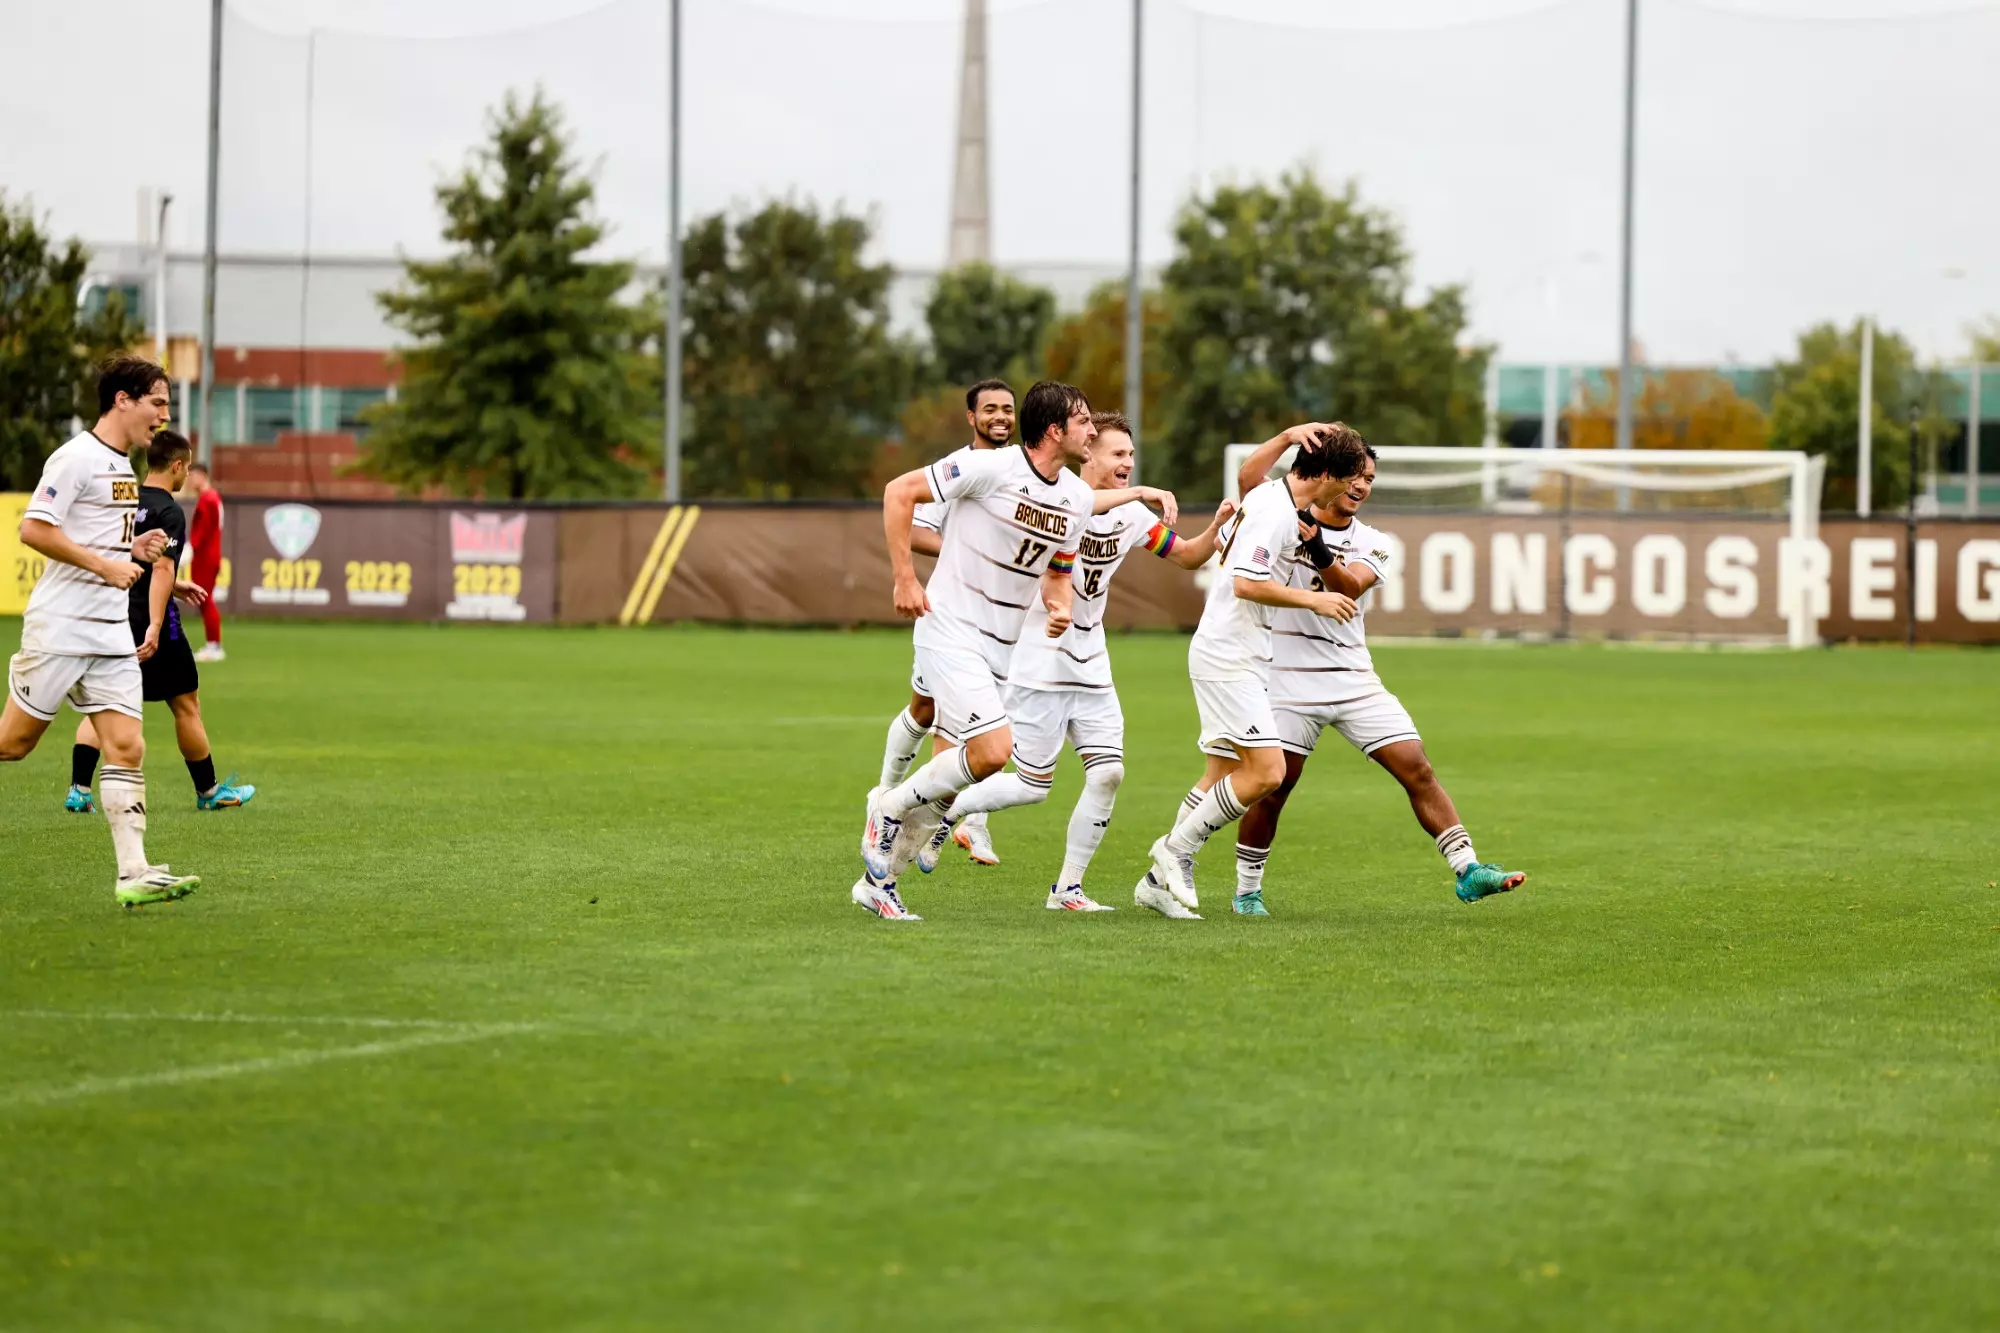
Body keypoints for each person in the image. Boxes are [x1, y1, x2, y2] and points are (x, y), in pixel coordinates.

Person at [851, 380, 1175, 920]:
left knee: (972, 769)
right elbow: (897, 492)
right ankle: (887, 808)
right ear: (1055, 430)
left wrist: (1059, 604)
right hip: (949, 628)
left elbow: (1058, 570)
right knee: (993, 752)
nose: (1093, 431)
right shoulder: (990, 468)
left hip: (1003, 650)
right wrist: (905, 579)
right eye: (1084, 421)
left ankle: (878, 882)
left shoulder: (1074, 498)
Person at [909, 411, 1237, 911]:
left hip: (1092, 665)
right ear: (1090, 453)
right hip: (1038, 663)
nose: (1128, 462)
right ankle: (946, 810)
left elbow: (1189, 555)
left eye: (1131, 455)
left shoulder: (1132, 518)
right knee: (1029, 786)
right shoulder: (1058, 501)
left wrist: (1218, 526)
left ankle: (1068, 890)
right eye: (1118, 453)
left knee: (1109, 774)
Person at [1230, 437, 1526, 910]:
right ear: (1331, 475)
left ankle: (1468, 869)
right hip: (1284, 676)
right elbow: (1249, 479)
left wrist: (1320, 549)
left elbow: (1349, 586)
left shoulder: (1374, 542)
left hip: (1352, 678)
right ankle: (1247, 893)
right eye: (1355, 475)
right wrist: (1288, 437)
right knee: (1275, 789)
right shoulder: (1282, 515)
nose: (1362, 486)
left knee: (1418, 768)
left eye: (1370, 479)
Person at [1132, 423, 1365, 920]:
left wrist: (1285, 436)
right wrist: (1313, 599)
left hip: (1241, 651)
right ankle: (1174, 851)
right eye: (1343, 482)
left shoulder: (1267, 493)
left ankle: (1155, 885)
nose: (1345, 493)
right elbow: (1245, 583)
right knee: (1267, 772)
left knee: (1218, 774)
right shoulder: (1277, 515)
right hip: (1228, 654)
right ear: (1323, 474)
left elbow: (1246, 471)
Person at [0, 356, 201, 907]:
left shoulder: (122, 466)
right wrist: (104, 565)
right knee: (12, 745)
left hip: (111, 630)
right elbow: (33, 529)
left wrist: (132, 551)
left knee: (127, 746)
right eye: (157, 402)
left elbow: (103, 541)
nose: (163, 415)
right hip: (63, 626)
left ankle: (133, 872)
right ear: (123, 400)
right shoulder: (75, 458)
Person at [64, 430, 257, 816]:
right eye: (186, 468)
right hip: (154, 623)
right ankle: (209, 791)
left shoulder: (124, 500)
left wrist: (175, 584)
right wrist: (155, 623)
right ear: (178, 465)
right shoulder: (170, 511)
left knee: (104, 703)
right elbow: (164, 565)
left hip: (112, 613)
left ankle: (79, 790)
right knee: (186, 703)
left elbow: (120, 555)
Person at [869, 378, 1015, 867]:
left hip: (994, 621)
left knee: (971, 723)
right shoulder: (957, 469)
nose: (1000, 416)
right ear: (971, 418)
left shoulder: (1022, 471)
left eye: (1007, 409)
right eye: (989, 408)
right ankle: (890, 796)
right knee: (929, 711)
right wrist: (965, 547)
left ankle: (957, 824)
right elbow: (912, 525)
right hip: (950, 615)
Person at [184, 460, 225, 661]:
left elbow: (203, 530)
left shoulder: (208, 499)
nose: (189, 480)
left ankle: (214, 645)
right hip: (208, 555)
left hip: (206, 556)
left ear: (201, 475)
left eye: (192, 476)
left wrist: (190, 549)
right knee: (205, 600)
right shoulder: (211, 498)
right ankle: (213, 644)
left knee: (205, 599)